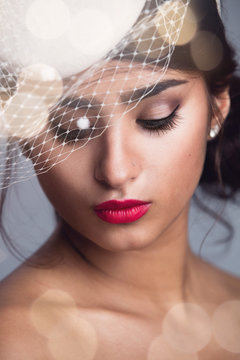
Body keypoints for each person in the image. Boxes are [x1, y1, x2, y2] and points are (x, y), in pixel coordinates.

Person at [0, 0, 240, 358]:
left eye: (157, 118)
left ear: (217, 106)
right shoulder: (15, 342)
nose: (116, 170)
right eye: (72, 129)